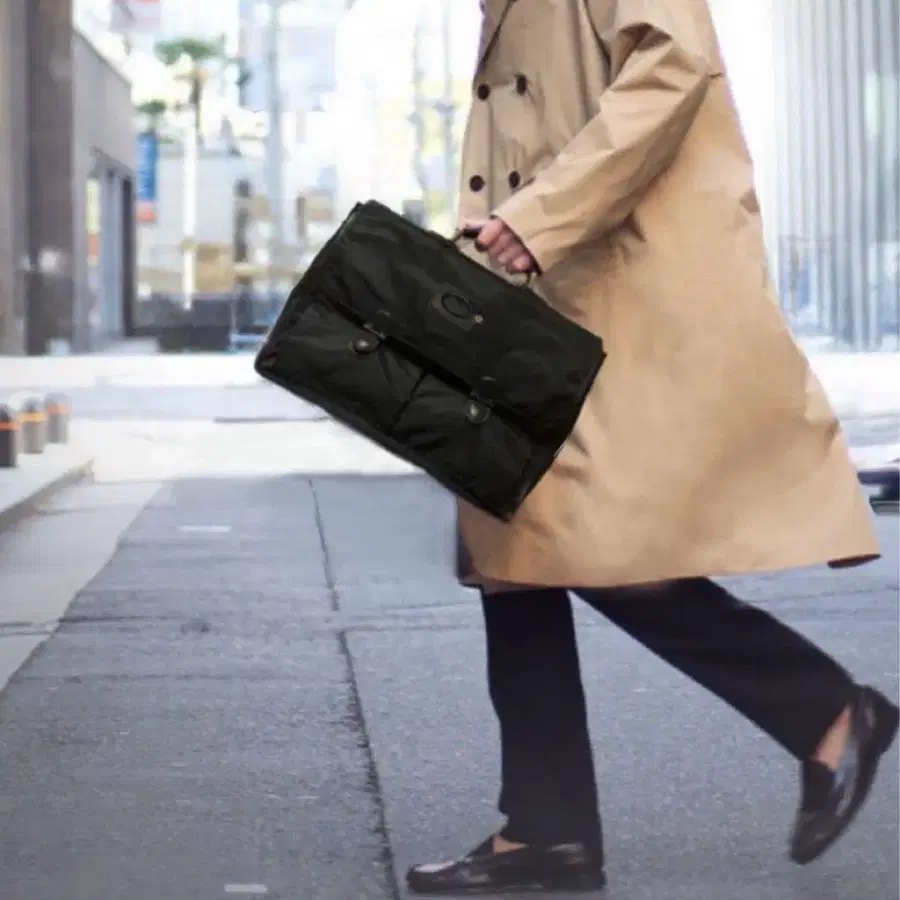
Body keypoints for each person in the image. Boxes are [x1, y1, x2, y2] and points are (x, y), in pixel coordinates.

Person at [406, 0, 899, 894]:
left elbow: (672, 65)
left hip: (606, 275)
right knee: (512, 544)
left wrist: (540, 215)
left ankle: (824, 711)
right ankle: (547, 826)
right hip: (545, 279)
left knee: (577, 537)